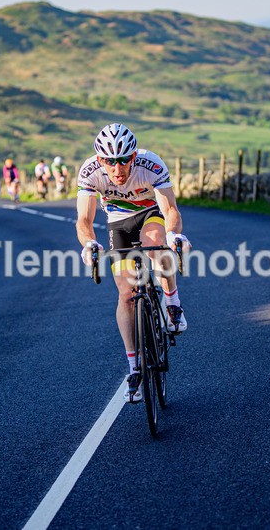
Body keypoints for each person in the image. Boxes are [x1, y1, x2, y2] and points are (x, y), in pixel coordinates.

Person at [76, 123, 192, 403]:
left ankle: (172, 302)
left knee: (155, 244)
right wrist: (89, 243)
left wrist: (174, 234)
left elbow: (170, 209)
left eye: (124, 160)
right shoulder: (90, 172)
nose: (118, 169)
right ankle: (134, 367)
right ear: (100, 159)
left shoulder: (151, 164)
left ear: (134, 155)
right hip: (118, 223)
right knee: (126, 294)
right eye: (110, 162)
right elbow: (84, 220)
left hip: (150, 213)